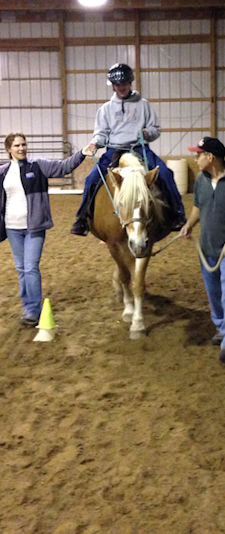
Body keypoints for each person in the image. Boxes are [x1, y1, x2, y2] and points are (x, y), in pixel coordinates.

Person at [70, 62, 186, 236]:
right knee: (91, 179)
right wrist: (96, 143)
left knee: (165, 174)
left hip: (140, 149)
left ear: (130, 83)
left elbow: (156, 129)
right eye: (117, 85)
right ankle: (82, 219)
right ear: (113, 86)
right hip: (113, 151)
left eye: (124, 84)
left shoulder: (144, 105)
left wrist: (147, 133)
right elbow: (101, 133)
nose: (121, 87)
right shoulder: (105, 109)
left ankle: (177, 214)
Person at [0, 133, 94, 327]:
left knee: (30, 267)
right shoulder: (3, 172)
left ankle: (33, 311)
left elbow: (63, 167)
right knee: (21, 269)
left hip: (34, 226)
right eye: (17, 145)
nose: (21, 148)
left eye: (24, 144)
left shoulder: (38, 165)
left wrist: (82, 153)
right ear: (9, 149)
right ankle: (28, 307)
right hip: (12, 227)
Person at [180, 136, 225, 364]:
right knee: (214, 294)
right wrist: (189, 224)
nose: (195, 158)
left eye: (198, 154)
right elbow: (198, 206)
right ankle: (222, 328)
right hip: (206, 248)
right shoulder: (201, 180)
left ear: (211, 157)